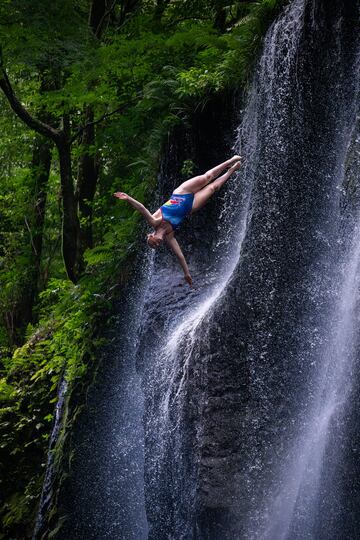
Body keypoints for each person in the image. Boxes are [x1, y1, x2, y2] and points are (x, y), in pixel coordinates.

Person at [114, 155, 242, 286]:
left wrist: (128, 198)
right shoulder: (169, 236)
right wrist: (186, 273)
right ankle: (231, 170)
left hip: (181, 193)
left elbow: (142, 208)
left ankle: (230, 161)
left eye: (153, 243)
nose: (156, 244)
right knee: (212, 188)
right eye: (156, 246)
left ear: (151, 236)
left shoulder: (154, 222)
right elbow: (180, 256)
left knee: (207, 177)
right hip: (189, 207)